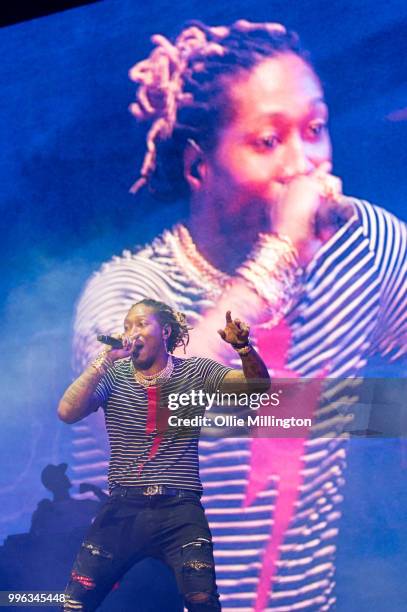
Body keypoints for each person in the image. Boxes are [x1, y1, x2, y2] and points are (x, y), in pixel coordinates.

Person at [72, 20, 407, 611]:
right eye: (268, 141)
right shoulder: (130, 292)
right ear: (200, 167)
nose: (303, 166)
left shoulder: (366, 245)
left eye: (315, 130)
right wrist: (280, 255)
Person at [59, 299, 270, 611]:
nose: (132, 332)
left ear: (166, 331)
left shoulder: (196, 371)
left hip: (179, 510)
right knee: (75, 603)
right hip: (123, 508)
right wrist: (103, 360)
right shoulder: (113, 375)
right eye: (127, 326)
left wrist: (243, 348)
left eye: (141, 324)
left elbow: (256, 388)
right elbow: (66, 412)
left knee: (203, 602)